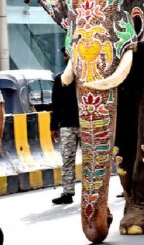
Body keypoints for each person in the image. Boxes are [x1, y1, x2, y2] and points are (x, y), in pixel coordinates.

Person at [51, 48, 80, 205]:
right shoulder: (59, 80)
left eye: (68, 53)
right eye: (65, 54)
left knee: (91, 161)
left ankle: (91, 193)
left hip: (85, 124)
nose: (66, 57)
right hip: (67, 126)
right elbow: (55, 105)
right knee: (67, 159)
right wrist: (54, 126)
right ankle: (67, 192)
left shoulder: (84, 79)